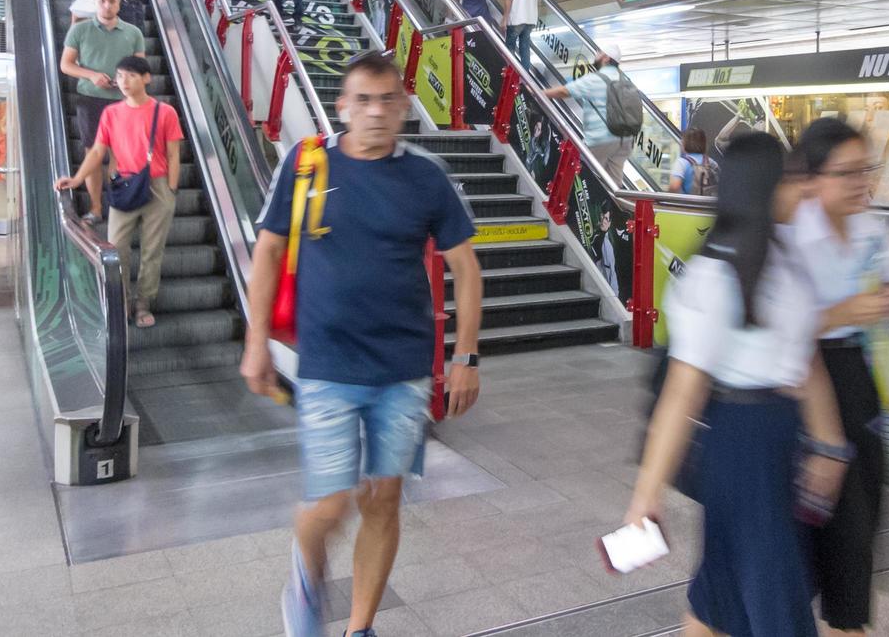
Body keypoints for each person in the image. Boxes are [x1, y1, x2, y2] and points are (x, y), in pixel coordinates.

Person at [240, 51, 483, 637]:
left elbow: (467, 269)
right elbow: (269, 251)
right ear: (343, 106)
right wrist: (256, 344)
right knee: (330, 503)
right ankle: (305, 574)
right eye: (363, 101)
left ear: (403, 107)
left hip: (402, 369)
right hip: (326, 363)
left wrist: (465, 357)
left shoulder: (425, 177)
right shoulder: (307, 164)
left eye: (387, 100)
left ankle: (359, 627)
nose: (376, 113)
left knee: (384, 499)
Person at [626, 132, 848, 637]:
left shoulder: (783, 259)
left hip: (777, 440)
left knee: (721, 593)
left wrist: (830, 445)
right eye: (793, 180)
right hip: (742, 444)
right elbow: (682, 396)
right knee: (771, 597)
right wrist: (646, 495)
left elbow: (806, 361)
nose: (804, 191)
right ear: (764, 188)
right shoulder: (712, 278)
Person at [793, 117, 889, 636]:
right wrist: (847, 311)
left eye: (866, 170)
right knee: (819, 537)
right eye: (847, 173)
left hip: (862, 387)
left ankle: (847, 616)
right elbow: (780, 328)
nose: (861, 182)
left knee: (857, 534)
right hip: (809, 386)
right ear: (811, 178)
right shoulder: (793, 235)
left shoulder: (868, 226)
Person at [57, 54, 181, 328]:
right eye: (120, 75)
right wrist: (77, 179)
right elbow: (98, 151)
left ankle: (143, 304)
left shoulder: (165, 112)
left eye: (131, 76)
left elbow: (174, 154)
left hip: (157, 186)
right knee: (117, 248)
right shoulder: (111, 114)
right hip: (123, 185)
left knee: (152, 250)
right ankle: (121, 300)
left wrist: (171, 190)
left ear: (146, 78)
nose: (123, 81)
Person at [59, 0, 145, 225]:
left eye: (112, 1)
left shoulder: (133, 33)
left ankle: (119, 206)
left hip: (123, 102)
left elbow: (141, 69)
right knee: (93, 155)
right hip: (90, 100)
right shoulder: (79, 30)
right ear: (95, 3)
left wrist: (126, 81)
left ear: (119, 3)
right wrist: (91, 75)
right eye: (102, 1)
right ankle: (96, 209)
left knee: (121, 156)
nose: (107, 6)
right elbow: (66, 65)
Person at [543, 45, 631, 186]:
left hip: (603, 135)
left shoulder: (599, 77)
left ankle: (567, 204)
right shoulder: (624, 80)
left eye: (599, 51)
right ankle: (614, 207)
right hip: (625, 138)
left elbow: (565, 92)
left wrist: (539, 92)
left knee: (577, 169)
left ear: (606, 58)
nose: (596, 54)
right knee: (614, 183)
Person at [669, 128, 718, 195]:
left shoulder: (681, 163)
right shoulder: (711, 162)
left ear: (685, 143)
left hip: (688, 203)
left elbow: (674, 187)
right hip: (708, 203)